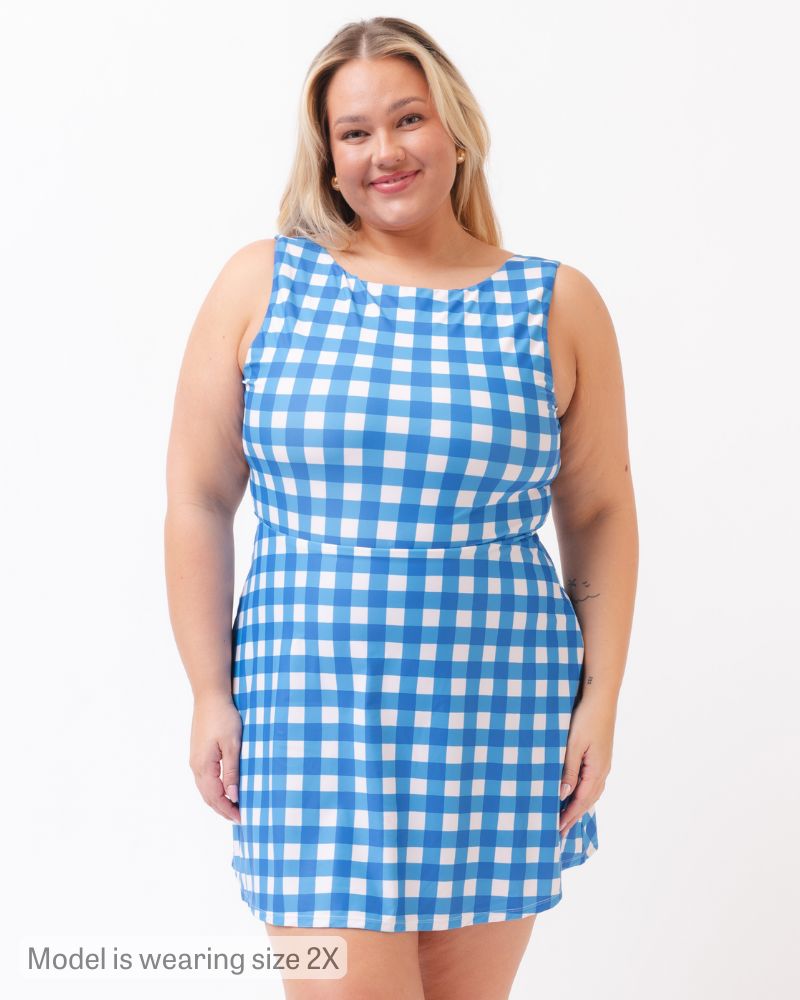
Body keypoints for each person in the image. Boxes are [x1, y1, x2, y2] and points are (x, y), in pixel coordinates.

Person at [164, 15, 638, 1000]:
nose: (384, 150)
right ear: (329, 160)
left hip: (500, 710)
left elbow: (598, 512)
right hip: (307, 711)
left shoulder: (556, 304)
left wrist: (600, 698)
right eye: (354, 132)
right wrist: (209, 689)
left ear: (456, 129)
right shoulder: (263, 284)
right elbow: (199, 497)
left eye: (408, 118)